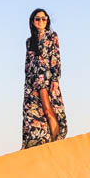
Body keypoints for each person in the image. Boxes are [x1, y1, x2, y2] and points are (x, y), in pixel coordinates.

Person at [22, 8, 68, 149]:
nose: (41, 21)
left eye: (44, 18)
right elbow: (28, 65)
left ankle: (56, 143)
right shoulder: (30, 42)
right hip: (33, 83)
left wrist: (55, 79)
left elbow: (56, 58)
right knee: (35, 115)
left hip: (47, 80)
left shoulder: (52, 36)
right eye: (37, 19)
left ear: (47, 21)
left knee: (49, 111)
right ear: (33, 21)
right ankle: (42, 144)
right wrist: (29, 87)